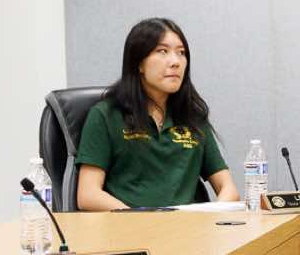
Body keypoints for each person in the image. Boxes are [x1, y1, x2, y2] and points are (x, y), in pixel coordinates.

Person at [75, 18, 239, 210]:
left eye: (181, 53)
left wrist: (212, 214)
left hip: (189, 225)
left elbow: (228, 189)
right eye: (162, 51)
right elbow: (88, 195)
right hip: (130, 225)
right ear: (139, 63)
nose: (176, 62)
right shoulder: (106, 115)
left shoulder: (192, 117)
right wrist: (139, 220)